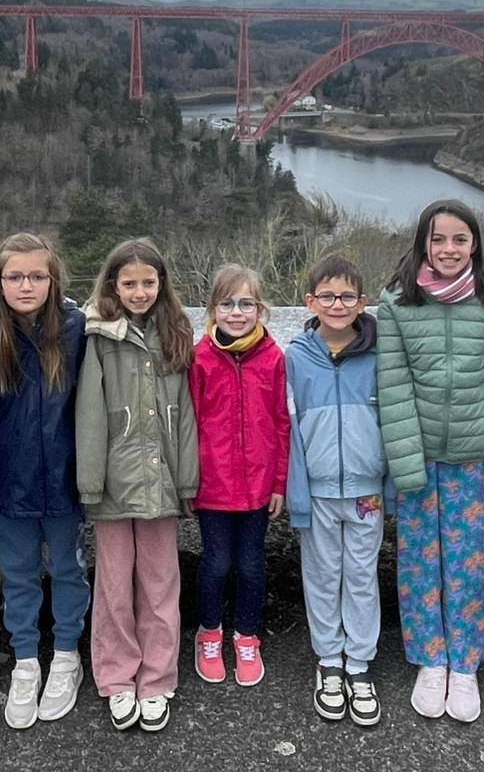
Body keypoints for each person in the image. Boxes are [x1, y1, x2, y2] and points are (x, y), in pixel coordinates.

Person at [376, 199, 484, 725]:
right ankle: (430, 659)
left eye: (460, 240)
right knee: (418, 564)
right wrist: (407, 464)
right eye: (439, 240)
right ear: (424, 243)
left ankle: (465, 662)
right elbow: (392, 388)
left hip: (472, 455)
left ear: (475, 244)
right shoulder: (395, 303)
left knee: (469, 564)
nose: (449, 249)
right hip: (418, 455)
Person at [75, 238, 198, 734]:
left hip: (163, 481)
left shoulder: (175, 332)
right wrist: (89, 483)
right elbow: (89, 414)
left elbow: (185, 415)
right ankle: (116, 674)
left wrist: (187, 479)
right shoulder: (99, 336)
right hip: (113, 482)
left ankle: (158, 674)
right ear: (113, 285)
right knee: (113, 585)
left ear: (161, 284)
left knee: (161, 581)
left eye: (149, 282)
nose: (140, 291)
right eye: (130, 283)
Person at [0, 233, 90, 730]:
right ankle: (25, 660)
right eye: (14, 276)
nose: (26, 285)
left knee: (68, 568)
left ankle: (66, 654)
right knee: (17, 574)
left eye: (36, 276)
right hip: (9, 481)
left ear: (53, 280)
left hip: (65, 478)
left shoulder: (75, 329)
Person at [285, 254, 386, 727]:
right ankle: (329, 661)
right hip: (320, 490)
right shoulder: (296, 357)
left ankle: (359, 664)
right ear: (311, 301)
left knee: (362, 576)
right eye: (327, 296)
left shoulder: (380, 353)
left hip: (367, 490)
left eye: (347, 296)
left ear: (363, 302)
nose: (337, 304)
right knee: (323, 575)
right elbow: (289, 430)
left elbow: (393, 422)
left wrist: (387, 480)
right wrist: (298, 492)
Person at [189, 263, 289, 689]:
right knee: (215, 563)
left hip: (257, 487)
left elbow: (281, 422)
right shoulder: (199, 358)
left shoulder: (273, 358)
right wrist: (187, 482)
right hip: (212, 487)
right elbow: (188, 424)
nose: (236, 312)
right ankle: (208, 632)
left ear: (260, 308)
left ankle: (246, 635)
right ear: (212, 309)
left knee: (250, 564)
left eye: (245, 303)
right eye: (227, 304)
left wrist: (279, 482)